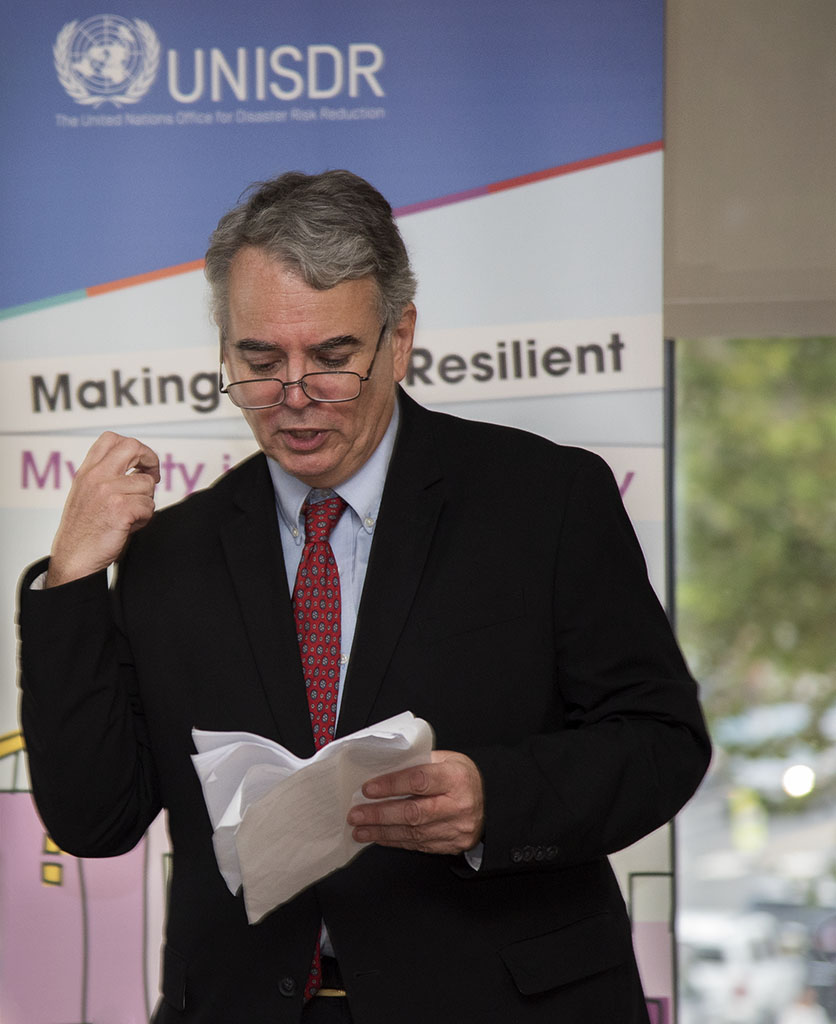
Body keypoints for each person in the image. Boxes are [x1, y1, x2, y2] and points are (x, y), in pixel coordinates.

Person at [18, 169, 711, 1023]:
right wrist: (72, 580)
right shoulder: (173, 552)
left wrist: (497, 797)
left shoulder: (546, 499)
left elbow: (661, 742)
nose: (295, 397)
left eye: (334, 359)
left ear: (400, 337)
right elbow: (95, 819)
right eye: (260, 362)